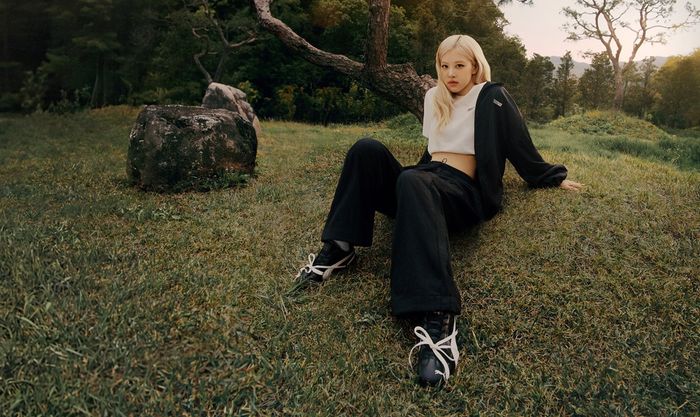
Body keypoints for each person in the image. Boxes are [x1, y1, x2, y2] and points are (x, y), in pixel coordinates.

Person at [292, 34, 582, 386]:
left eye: (459, 65)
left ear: (475, 66)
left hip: (463, 192)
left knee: (414, 180)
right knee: (366, 149)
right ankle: (339, 248)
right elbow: (432, 151)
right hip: (424, 181)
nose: (451, 73)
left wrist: (551, 177)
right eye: (444, 66)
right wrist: (412, 181)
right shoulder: (434, 97)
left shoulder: (492, 97)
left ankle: (439, 320)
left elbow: (521, 146)